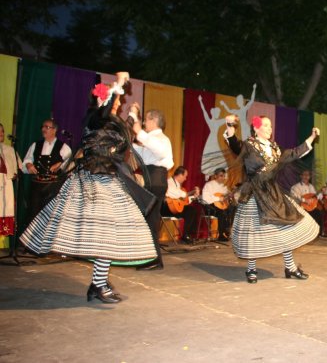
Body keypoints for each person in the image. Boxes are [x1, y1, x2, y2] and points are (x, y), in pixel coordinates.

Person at [20, 74, 157, 303]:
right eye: (114, 100)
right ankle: (98, 285)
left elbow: (121, 136)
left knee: (108, 237)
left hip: (108, 180)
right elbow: (103, 113)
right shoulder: (95, 118)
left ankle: (98, 283)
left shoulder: (109, 121)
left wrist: (132, 116)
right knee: (104, 236)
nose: (118, 102)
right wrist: (119, 85)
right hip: (95, 182)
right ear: (101, 101)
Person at [224, 114, 320, 283]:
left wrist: (311, 137)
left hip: (273, 193)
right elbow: (234, 144)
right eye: (266, 125)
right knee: (254, 232)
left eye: (270, 126)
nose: (270, 128)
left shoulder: (275, 148)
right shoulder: (249, 145)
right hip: (254, 193)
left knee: (286, 229)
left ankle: (290, 268)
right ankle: (251, 269)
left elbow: (294, 153)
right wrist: (230, 125)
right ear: (256, 128)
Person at [132, 108, 174, 270]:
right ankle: (151, 258)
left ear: (154, 121)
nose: (144, 123)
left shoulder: (161, 139)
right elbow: (143, 152)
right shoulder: (153, 140)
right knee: (148, 218)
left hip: (156, 179)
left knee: (151, 218)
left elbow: (158, 150)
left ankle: (154, 259)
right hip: (152, 179)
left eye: (146, 120)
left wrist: (139, 132)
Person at [21, 119, 72, 225]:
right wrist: (28, 164)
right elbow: (27, 160)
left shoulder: (63, 146)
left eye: (47, 127)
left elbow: (71, 164)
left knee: (50, 217)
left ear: (54, 130)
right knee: (33, 216)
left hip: (53, 188)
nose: (43, 129)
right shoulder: (36, 145)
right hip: (36, 187)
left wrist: (60, 164)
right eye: (43, 127)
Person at [162, 166, 200, 243]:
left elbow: (183, 201)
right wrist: (190, 192)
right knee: (191, 211)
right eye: (185, 176)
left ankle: (188, 235)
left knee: (192, 210)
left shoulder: (179, 186)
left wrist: (194, 197)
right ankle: (186, 236)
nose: (185, 179)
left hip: (174, 209)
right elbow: (176, 194)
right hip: (166, 208)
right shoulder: (169, 182)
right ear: (180, 175)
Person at [201, 167, 234, 241]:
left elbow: (225, 198)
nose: (223, 178)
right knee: (222, 212)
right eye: (221, 175)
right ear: (215, 176)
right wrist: (218, 199)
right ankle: (221, 235)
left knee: (233, 208)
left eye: (223, 176)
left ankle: (228, 229)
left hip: (221, 207)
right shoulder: (209, 185)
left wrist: (229, 196)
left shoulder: (224, 187)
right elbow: (205, 198)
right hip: (209, 206)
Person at [0, 124, 21, 238]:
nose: (1, 134)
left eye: (2, 131)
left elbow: (18, 168)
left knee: (4, 209)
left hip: (5, 185)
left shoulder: (9, 150)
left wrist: (14, 173)